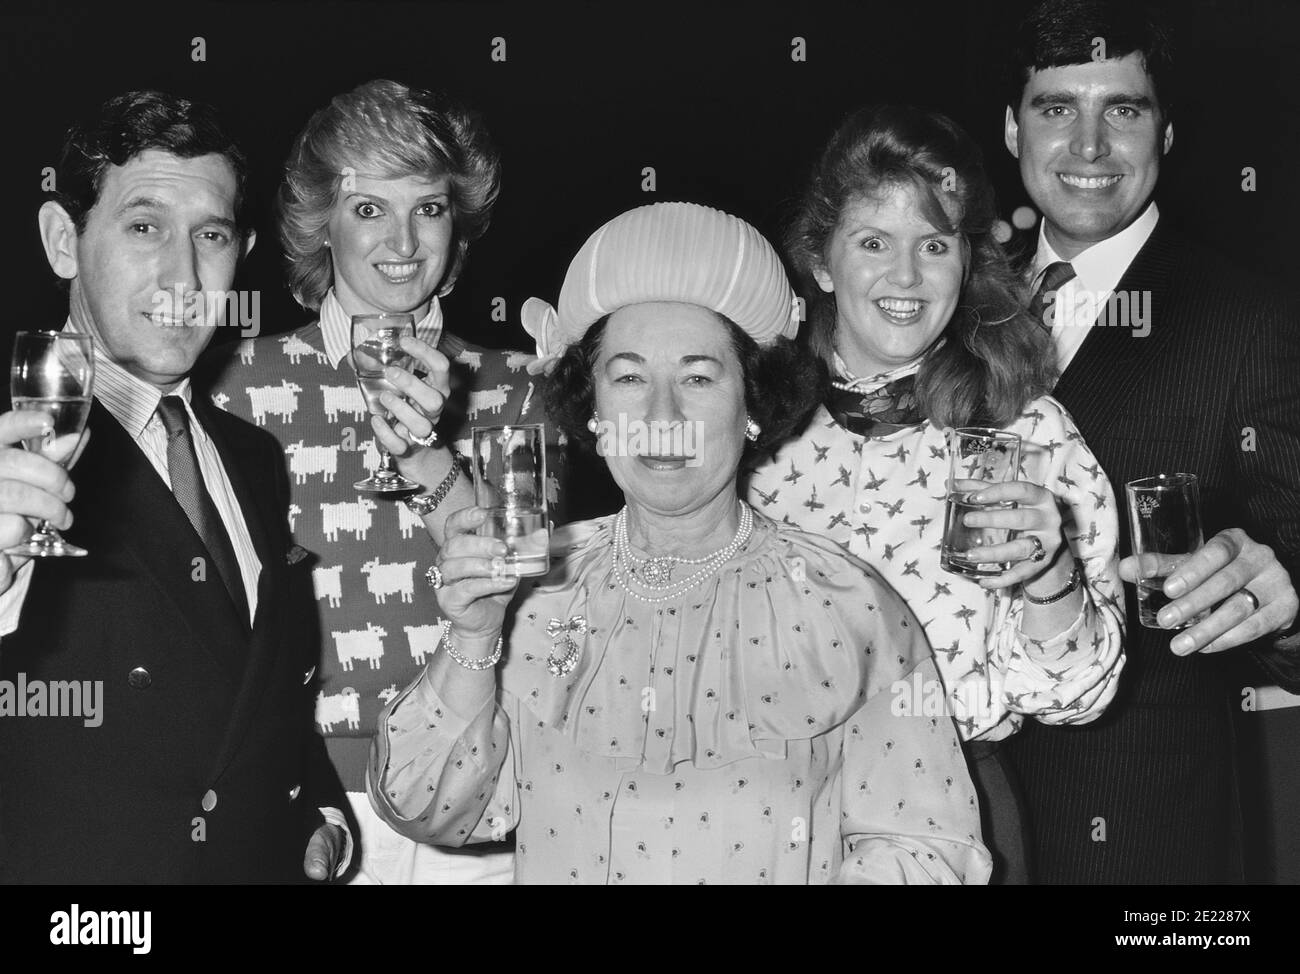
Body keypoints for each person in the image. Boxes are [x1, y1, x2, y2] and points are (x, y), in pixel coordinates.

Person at [366, 201, 992, 884]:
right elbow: (429, 808)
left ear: (752, 404)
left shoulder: (846, 603)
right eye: (629, 378)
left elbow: (926, 848)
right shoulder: (536, 589)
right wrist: (476, 635)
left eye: (698, 377)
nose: (661, 417)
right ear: (594, 409)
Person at [748, 105, 1125, 884]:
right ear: (821, 261)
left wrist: (1049, 576)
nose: (907, 277)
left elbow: (1079, 699)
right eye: (874, 242)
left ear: (967, 262)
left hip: (959, 807)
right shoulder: (754, 432)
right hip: (769, 815)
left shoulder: (1030, 432)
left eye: (935, 245)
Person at [202, 79, 562, 884]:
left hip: (480, 793)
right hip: (308, 803)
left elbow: (535, 607)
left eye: (428, 208)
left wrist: (433, 458)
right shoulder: (237, 382)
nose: (403, 239)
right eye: (370, 209)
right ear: (319, 224)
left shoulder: (520, 385)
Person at [0, 90, 349, 882]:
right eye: (145, 226)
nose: (182, 275)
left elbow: (258, 690)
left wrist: (317, 815)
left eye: (212, 236)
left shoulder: (254, 456)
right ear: (64, 240)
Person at [1001, 0, 1300, 883]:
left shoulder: (1249, 321)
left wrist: (1286, 604)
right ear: (1013, 130)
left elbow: (1286, 588)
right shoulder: (947, 304)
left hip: (1141, 833)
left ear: (1166, 133)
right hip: (944, 807)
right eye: (1058, 108)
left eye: (1123, 110)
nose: (1089, 146)